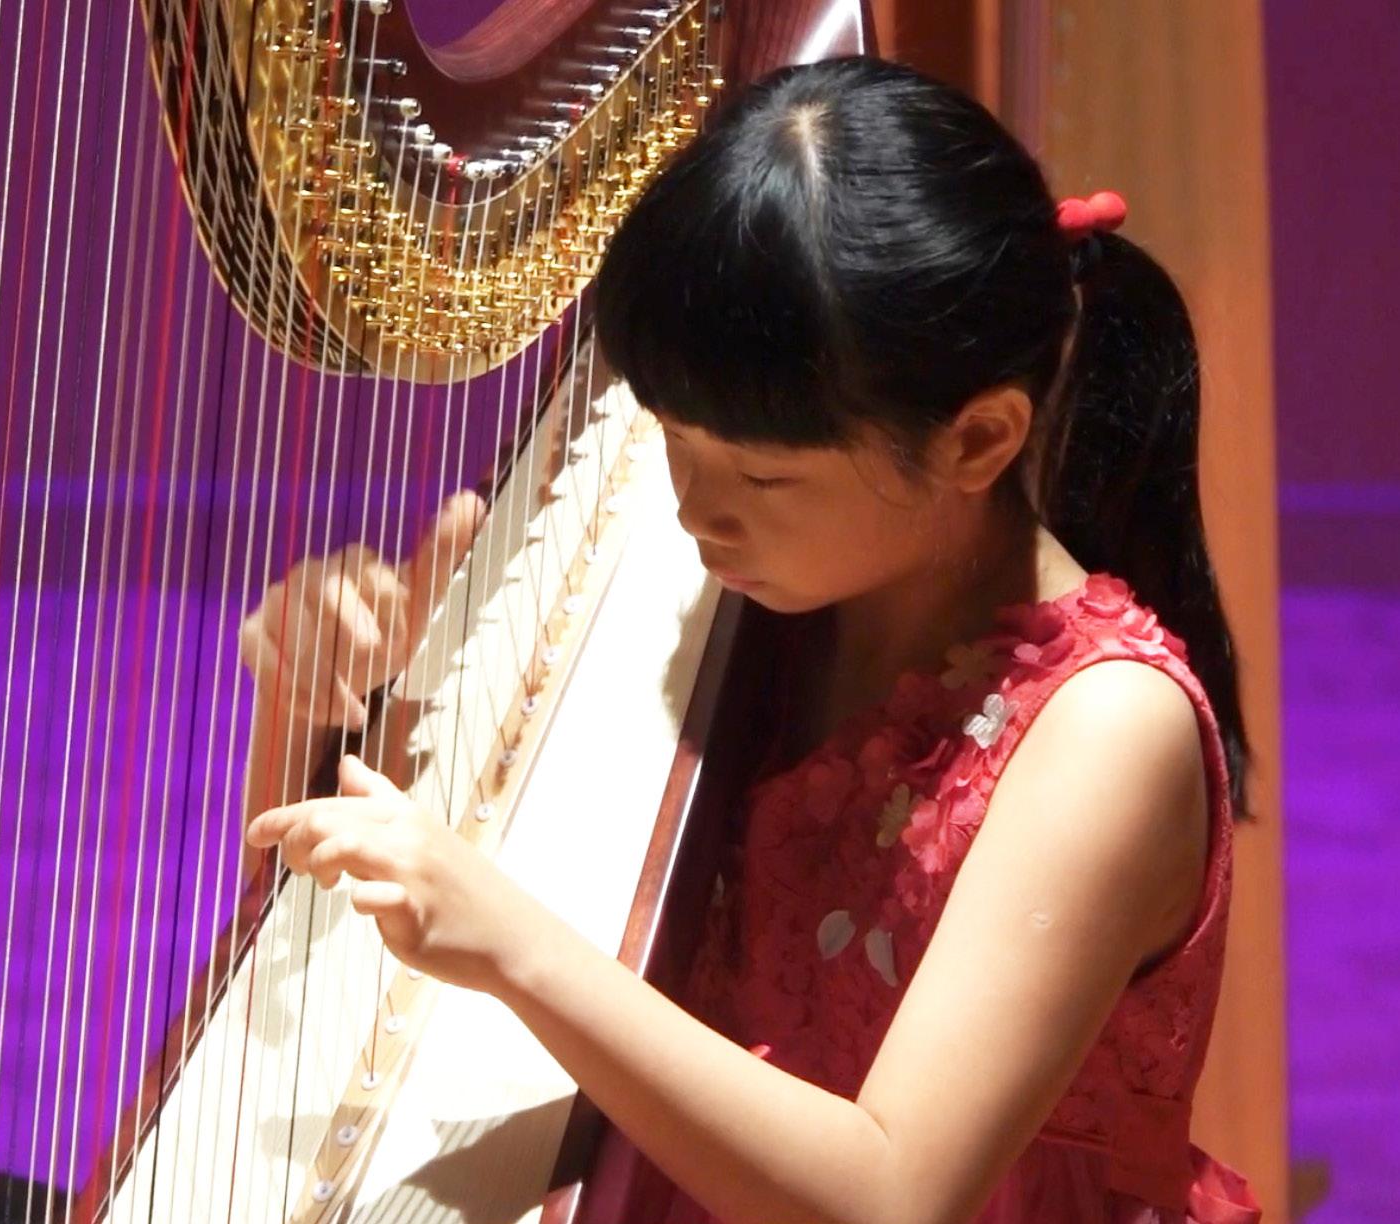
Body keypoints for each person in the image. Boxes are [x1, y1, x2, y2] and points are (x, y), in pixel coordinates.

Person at [243, 56, 1263, 1223]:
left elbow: (890, 1195)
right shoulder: (761, 590)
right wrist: (312, 708)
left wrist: (512, 943)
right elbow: (314, 944)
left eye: (762, 476)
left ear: (977, 441)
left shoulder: (1105, 731)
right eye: (670, 438)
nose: (693, 511)